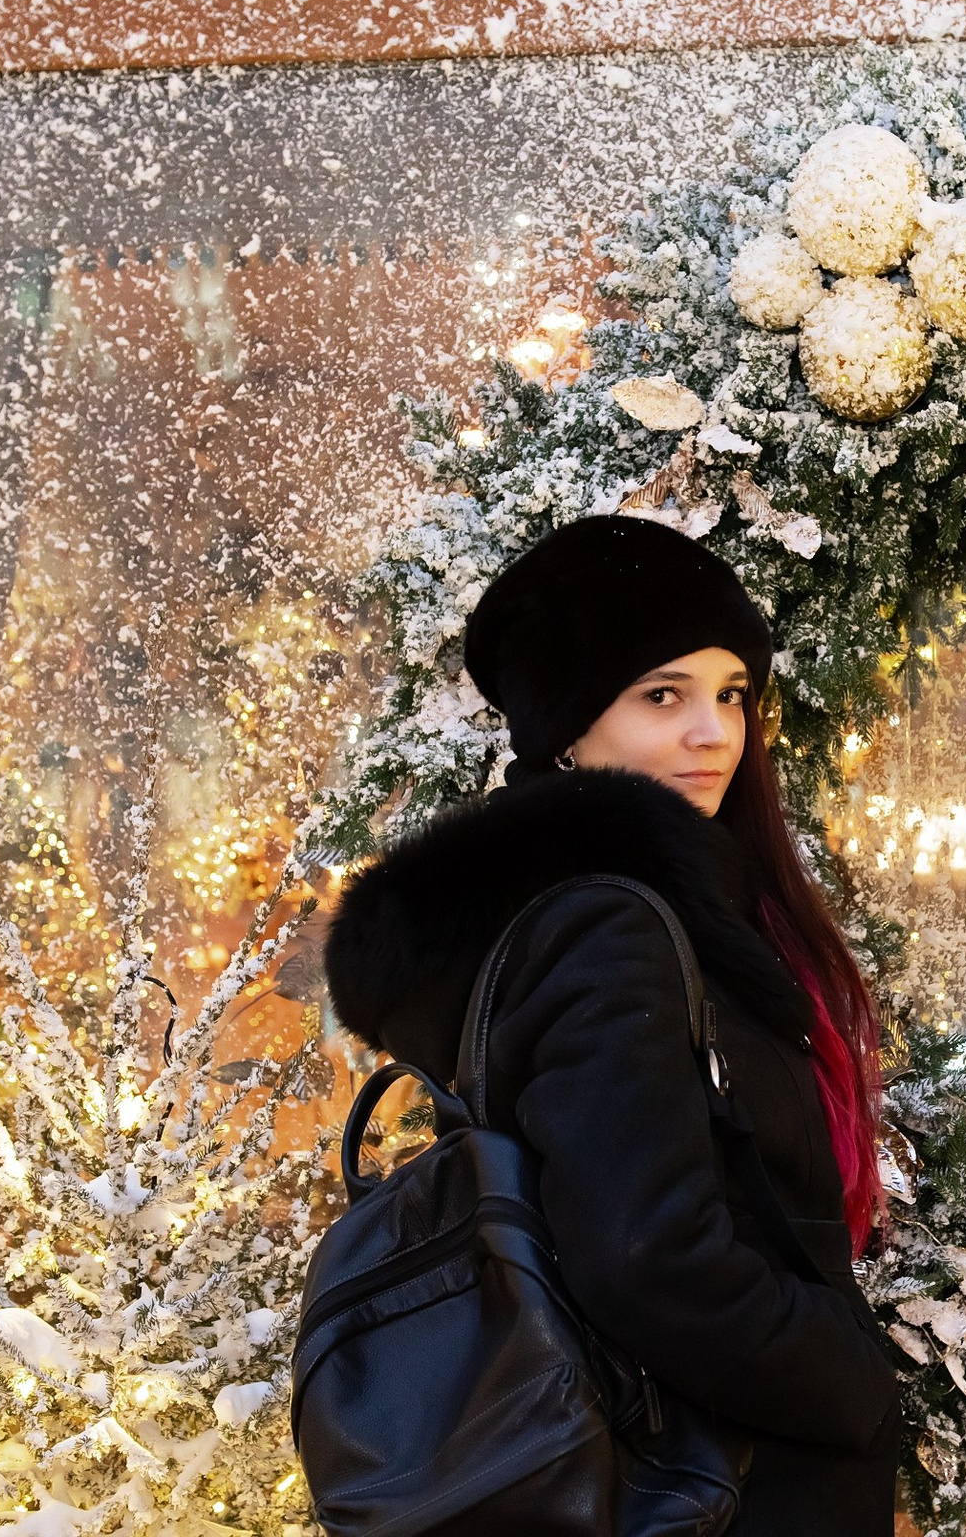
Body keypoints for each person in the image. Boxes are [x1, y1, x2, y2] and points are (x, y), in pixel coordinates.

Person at [323, 514, 902, 1534]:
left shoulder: (606, 908)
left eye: (731, 694)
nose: (713, 732)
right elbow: (644, 1253)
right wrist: (847, 1375)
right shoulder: (607, 924)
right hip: (720, 1481)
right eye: (661, 696)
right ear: (565, 726)